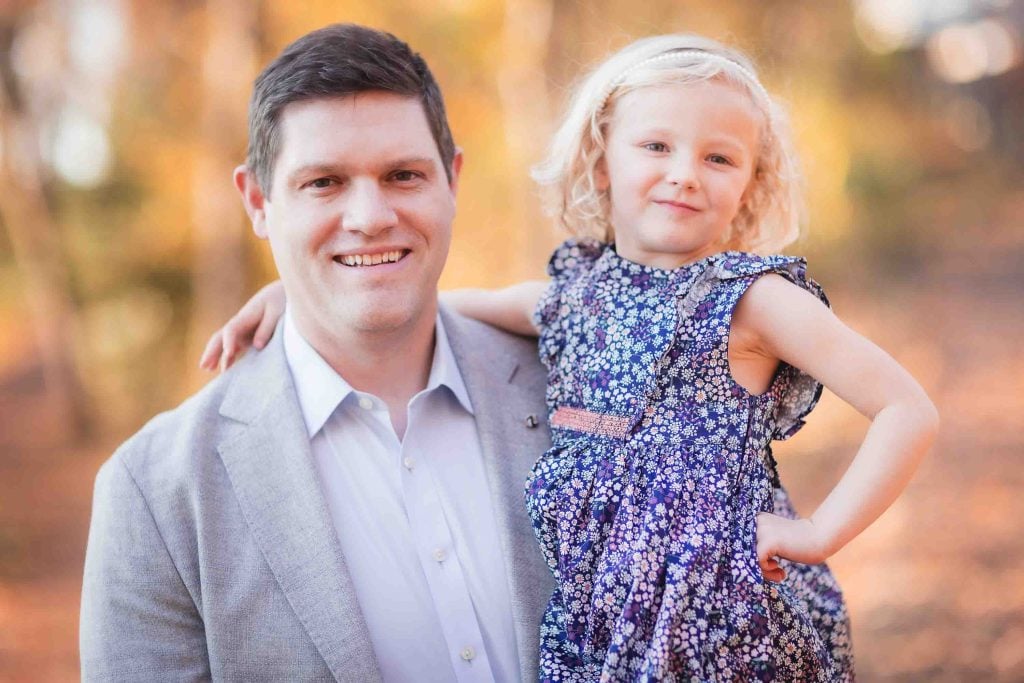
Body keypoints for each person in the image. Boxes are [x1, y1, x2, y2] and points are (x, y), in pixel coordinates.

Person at [206, 34, 940, 682]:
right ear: (600, 164)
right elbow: (425, 301)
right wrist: (298, 297)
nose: (686, 172)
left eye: (719, 157)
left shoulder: (751, 299)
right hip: (600, 623)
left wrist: (817, 533)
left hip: (721, 618)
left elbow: (907, 408)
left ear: (749, 186)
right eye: (656, 146)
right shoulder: (573, 294)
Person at [80, 24, 554, 683]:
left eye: (403, 175)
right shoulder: (156, 494)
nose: (370, 216)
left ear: (452, 179)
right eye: (324, 183)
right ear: (257, 201)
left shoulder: (568, 385)